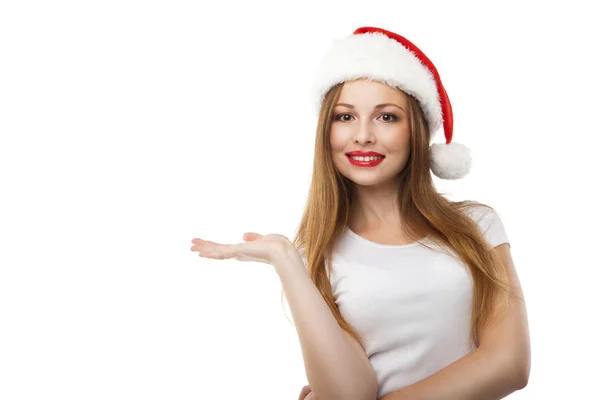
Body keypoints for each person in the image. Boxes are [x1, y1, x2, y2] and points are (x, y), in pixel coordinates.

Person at [191, 26, 531, 400]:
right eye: (345, 117)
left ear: (415, 130)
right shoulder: (315, 257)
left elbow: (510, 365)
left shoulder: (477, 225)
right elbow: (348, 393)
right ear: (327, 131)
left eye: (387, 117)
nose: (363, 135)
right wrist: (285, 260)